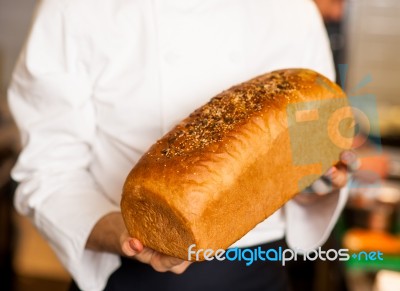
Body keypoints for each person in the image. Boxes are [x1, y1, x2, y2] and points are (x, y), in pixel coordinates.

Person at [8, 0, 358, 290]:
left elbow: (311, 151)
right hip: (127, 274)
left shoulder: (290, 9)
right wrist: (127, 235)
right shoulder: (73, 10)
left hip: (258, 271)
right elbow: (47, 171)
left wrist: (322, 178)